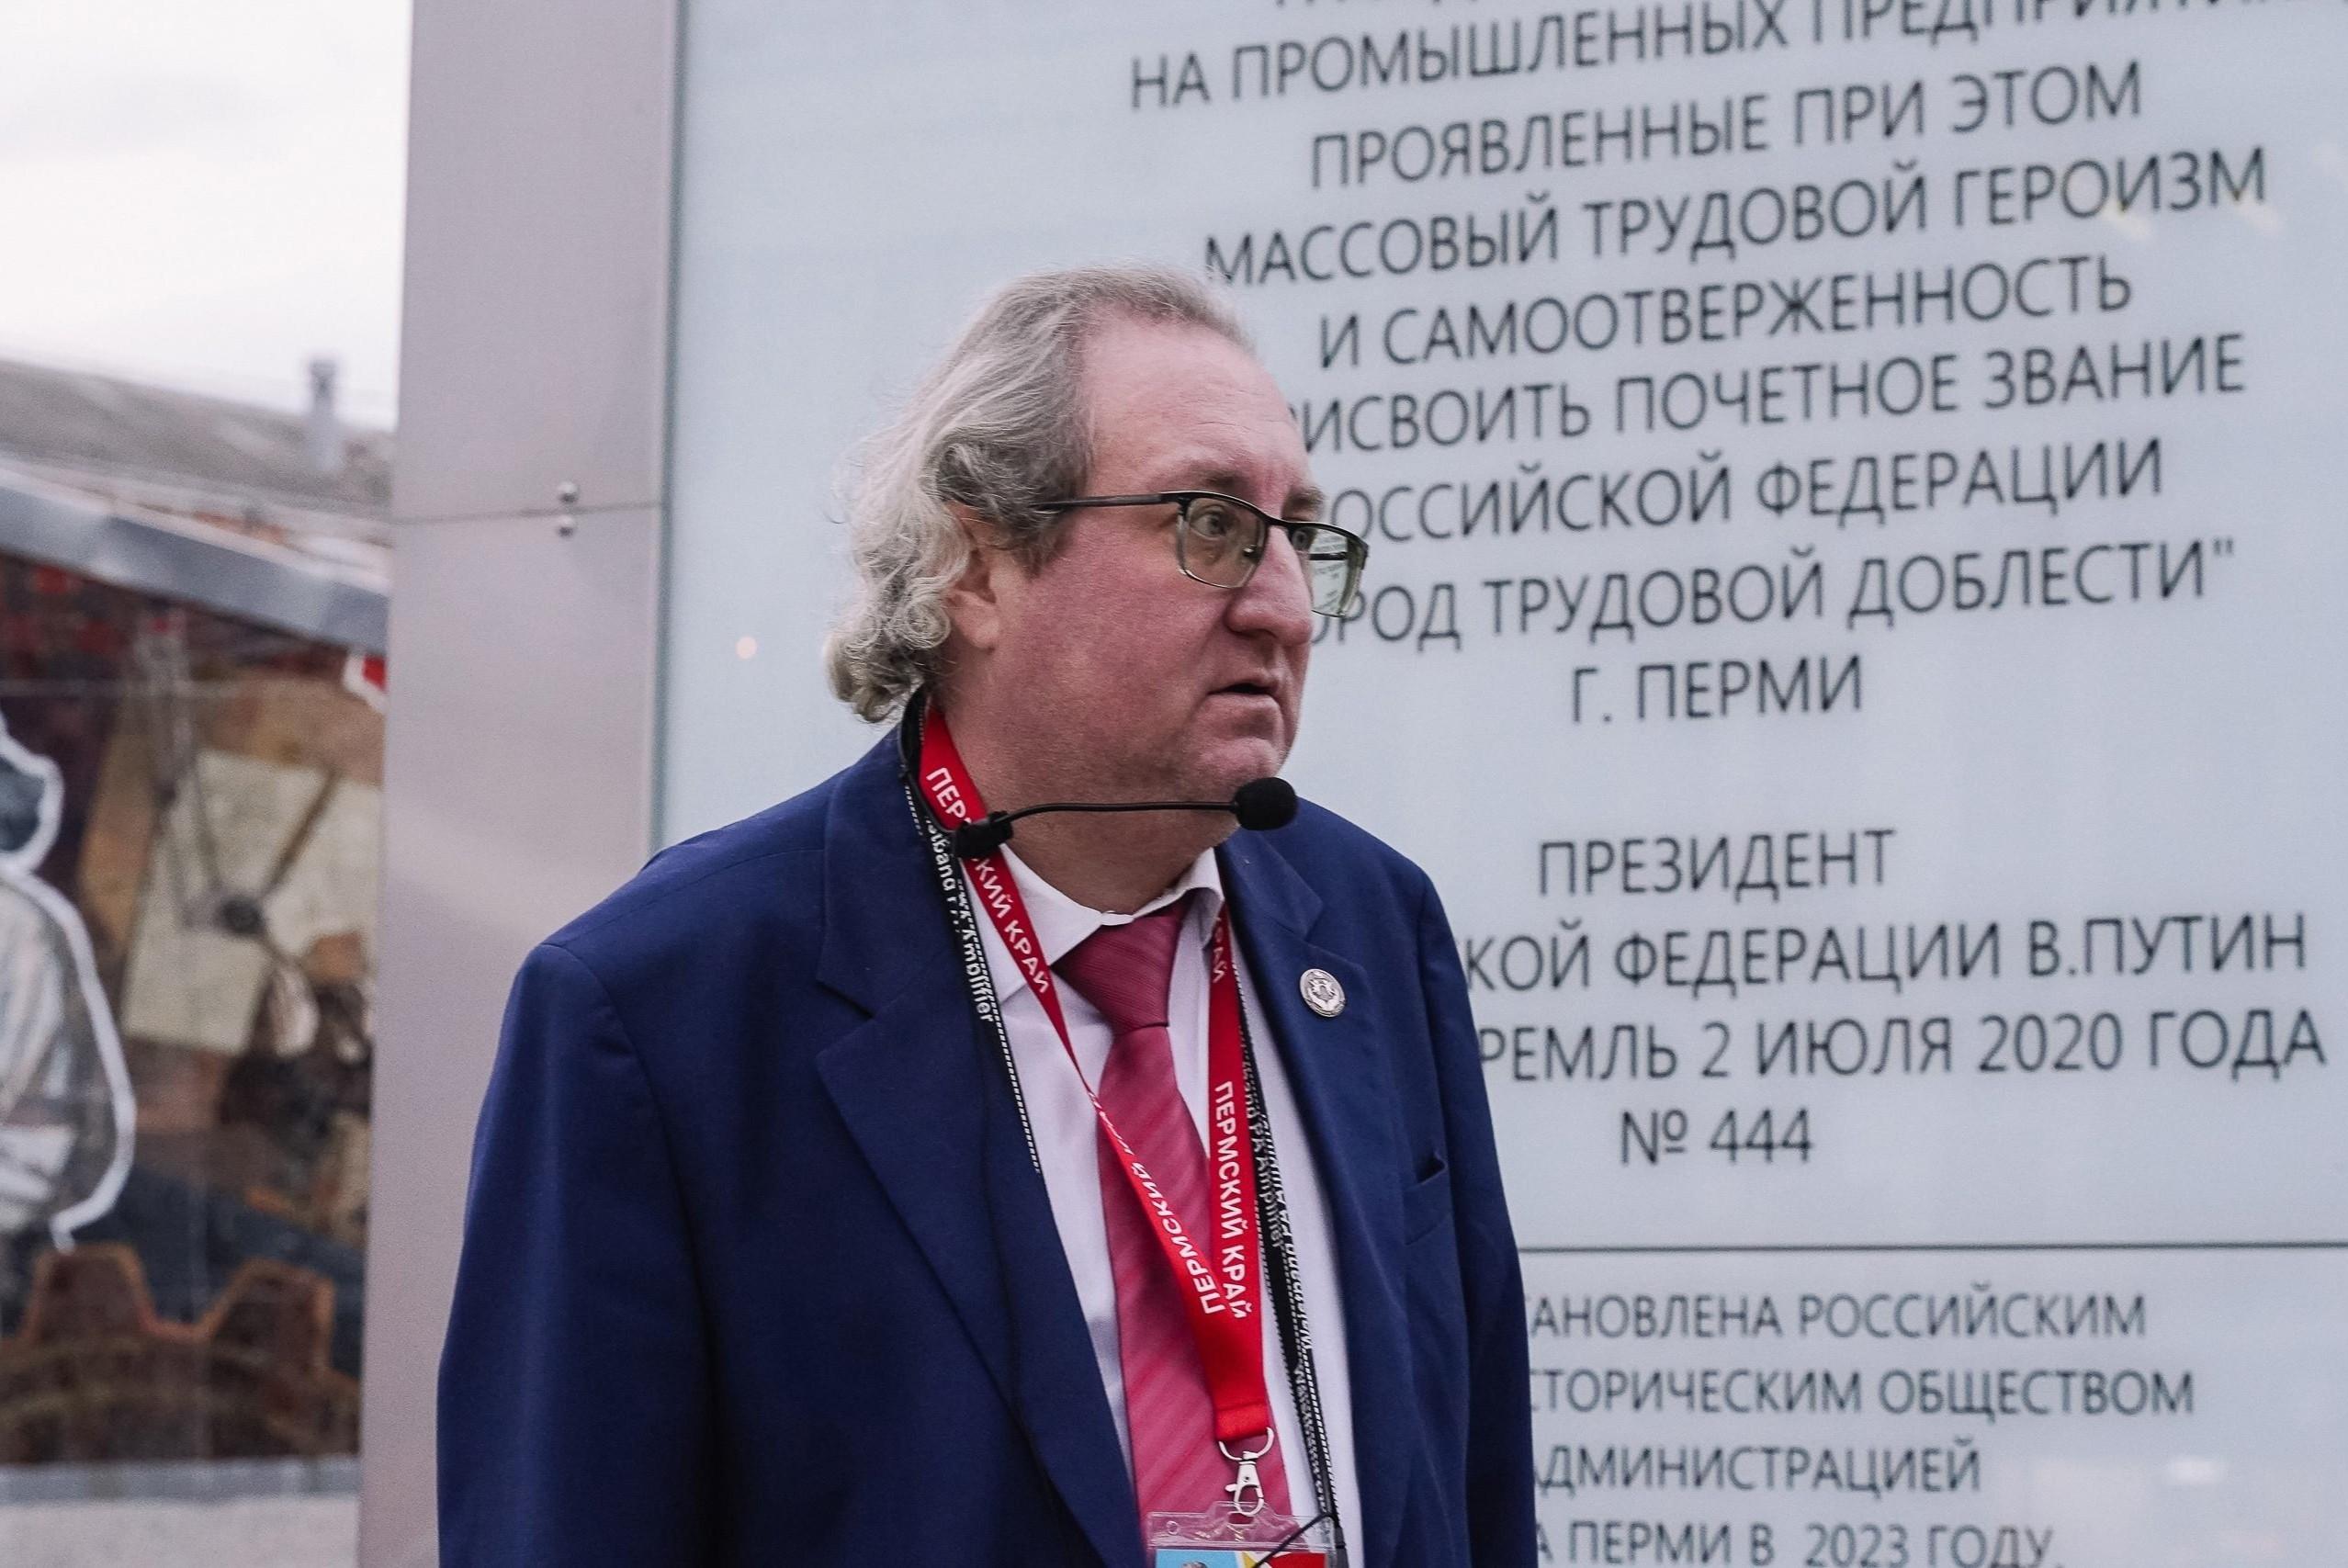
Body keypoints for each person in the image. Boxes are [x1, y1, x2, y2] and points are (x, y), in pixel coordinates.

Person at [439, 265, 1534, 1567]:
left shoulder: (1368, 926)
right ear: (977, 565)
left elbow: (1474, 1482)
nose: (1285, 605)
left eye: (1298, 534)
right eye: (1208, 524)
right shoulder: (663, 1010)